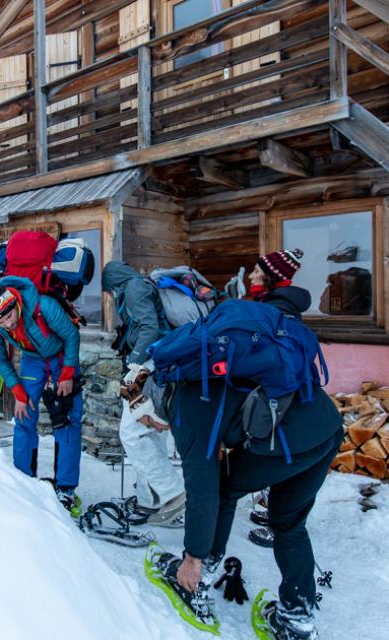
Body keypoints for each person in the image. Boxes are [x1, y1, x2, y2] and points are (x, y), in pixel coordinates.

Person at [141, 249, 344, 640]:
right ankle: (297, 619)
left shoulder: (186, 407)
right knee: (287, 522)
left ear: (160, 401)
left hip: (292, 441)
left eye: (149, 419)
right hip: (327, 425)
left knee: (224, 487)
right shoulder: (219, 362)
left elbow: (202, 490)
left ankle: (198, 578)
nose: (152, 424)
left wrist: (192, 557)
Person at [0, 277, 83, 512]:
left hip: (61, 358)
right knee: (23, 417)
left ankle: (65, 488)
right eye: (0, 321)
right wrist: (18, 392)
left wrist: (67, 374)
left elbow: (72, 336)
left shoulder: (43, 306)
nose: (7, 325)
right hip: (32, 362)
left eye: (8, 317)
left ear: (14, 303)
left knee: (67, 420)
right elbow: (0, 359)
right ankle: (23, 480)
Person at [101, 261, 185, 524]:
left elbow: (149, 327)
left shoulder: (135, 288)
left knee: (131, 432)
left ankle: (174, 493)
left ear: (113, 282)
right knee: (149, 434)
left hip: (148, 365)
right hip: (156, 362)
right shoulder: (136, 286)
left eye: (108, 290)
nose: (109, 296)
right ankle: (150, 501)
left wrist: (135, 363)